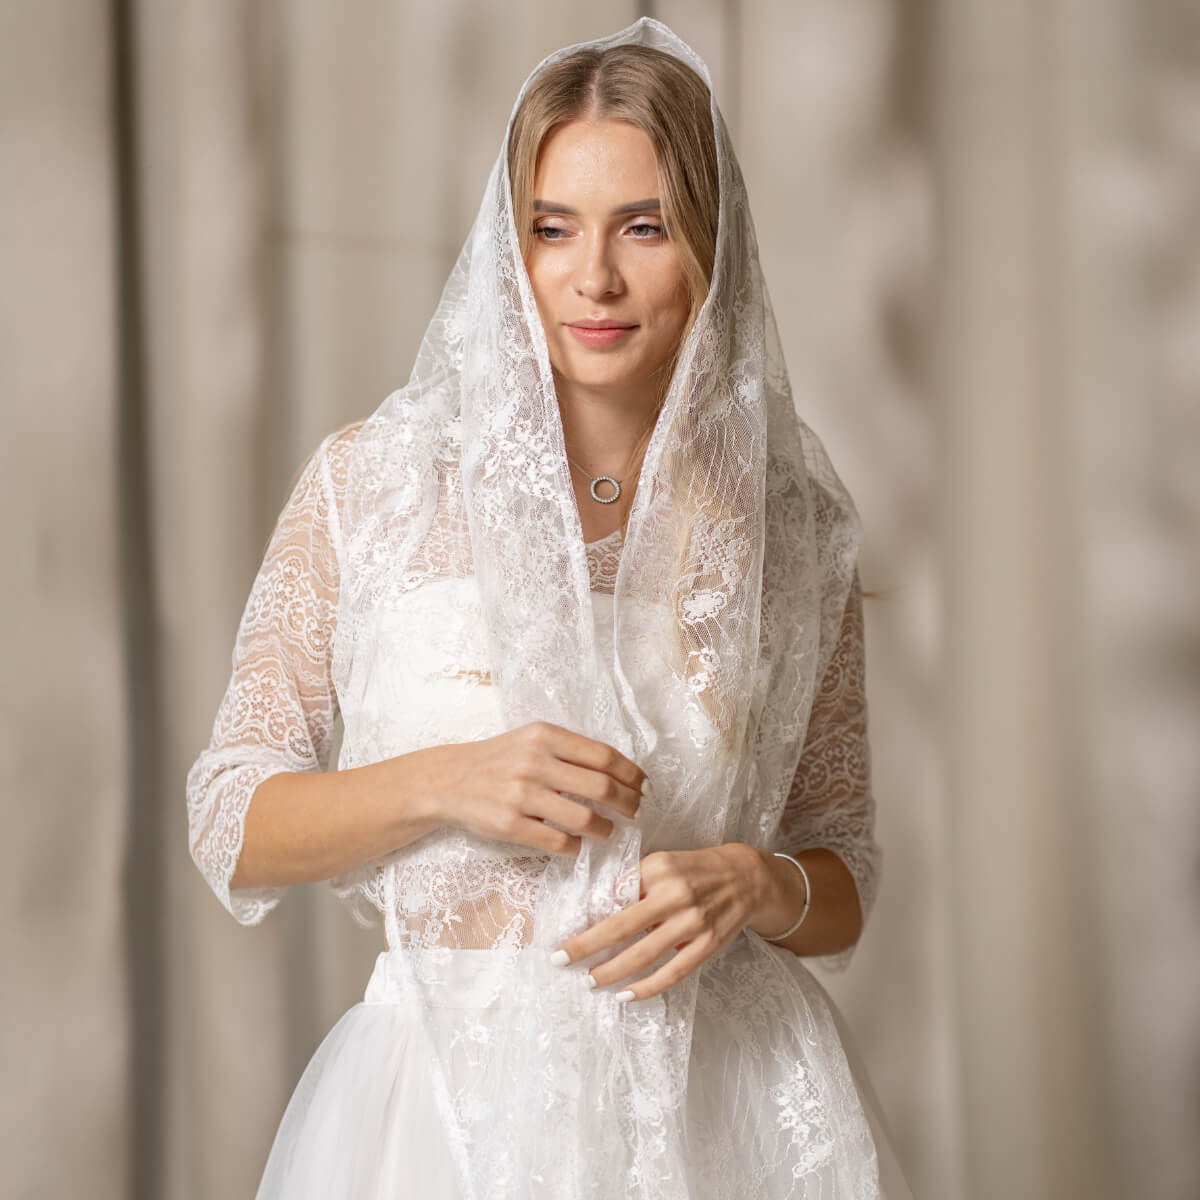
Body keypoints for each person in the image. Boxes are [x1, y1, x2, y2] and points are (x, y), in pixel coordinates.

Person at [186, 17, 912, 1199]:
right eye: (552, 228)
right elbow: (229, 817)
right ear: (505, 247)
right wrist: (446, 781)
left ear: (710, 248)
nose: (595, 278)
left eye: (645, 226)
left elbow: (847, 867)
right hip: (439, 1117)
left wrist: (761, 883)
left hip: (724, 1116)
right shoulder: (378, 482)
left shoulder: (789, 530)